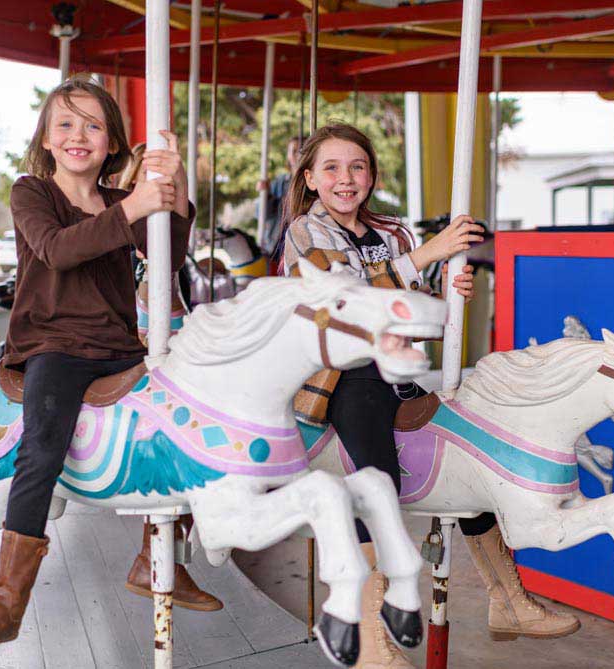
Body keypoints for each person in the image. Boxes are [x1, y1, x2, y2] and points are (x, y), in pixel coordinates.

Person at [281, 124, 579, 668]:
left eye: (357, 167)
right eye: (331, 168)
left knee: (474, 458)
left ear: (371, 174)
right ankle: (371, 640)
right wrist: (428, 257)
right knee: (376, 483)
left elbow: (411, 314)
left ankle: (507, 600)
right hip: (341, 377)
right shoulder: (306, 232)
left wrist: (441, 296)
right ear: (309, 179)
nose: (346, 179)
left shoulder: (391, 232)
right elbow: (344, 300)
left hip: (398, 373)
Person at [0, 76, 197, 651]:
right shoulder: (31, 192)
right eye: (65, 123)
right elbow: (57, 249)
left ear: (112, 142)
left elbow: (170, 255)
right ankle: (6, 598)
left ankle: (159, 553)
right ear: (46, 137)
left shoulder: (117, 203)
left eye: (93, 125)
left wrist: (175, 183)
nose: (78, 135)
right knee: (42, 444)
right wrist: (136, 202)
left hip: (119, 346)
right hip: (53, 346)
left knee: (187, 419)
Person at [118, 142, 223, 612]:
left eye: (170, 177)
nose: (162, 184)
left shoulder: (165, 234)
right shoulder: (126, 227)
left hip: (168, 347)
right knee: (178, 433)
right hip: (134, 355)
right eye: (153, 174)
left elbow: (177, 238)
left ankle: (163, 555)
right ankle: (158, 556)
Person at [256, 135, 301, 257]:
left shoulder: (316, 182)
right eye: (294, 151)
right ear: (288, 155)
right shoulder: (280, 182)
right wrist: (265, 195)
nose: (298, 155)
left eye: (302, 151)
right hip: (278, 240)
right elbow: (262, 214)